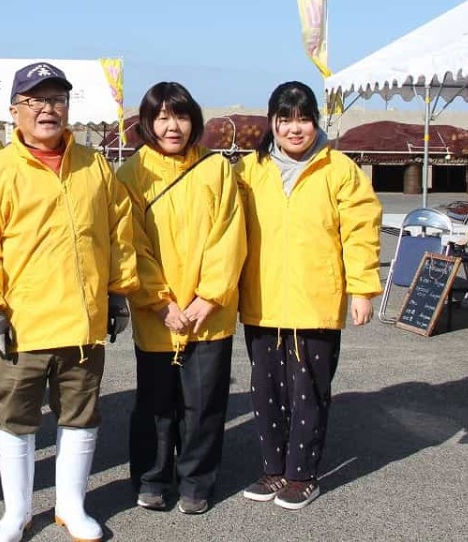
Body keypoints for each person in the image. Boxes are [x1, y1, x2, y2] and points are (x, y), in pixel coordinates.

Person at [0, 62, 142, 542]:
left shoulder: (94, 164)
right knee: (16, 417)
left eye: (57, 99)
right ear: (14, 109)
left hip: (82, 322)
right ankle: (16, 512)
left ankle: (70, 507)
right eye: (36, 100)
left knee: (80, 414)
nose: (47, 109)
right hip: (23, 323)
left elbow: (119, 231)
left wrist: (119, 291)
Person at [235, 81, 381, 511]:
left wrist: (362, 289)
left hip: (315, 301)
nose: (295, 129)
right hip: (261, 301)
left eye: (304, 118)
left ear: (315, 120)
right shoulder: (248, 170)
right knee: (265, 391)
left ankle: (302, 474)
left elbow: (360, 232)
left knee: (308, 391)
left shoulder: (338, 169)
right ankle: (272, 469)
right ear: (272, 123)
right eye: (286, 120)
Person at [116, 82, 246, 515]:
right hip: (158, 314)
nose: (173, 126)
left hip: (210, 313)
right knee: (154, 404)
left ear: (194, 120)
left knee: (204, 404)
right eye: (162, 117)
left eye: (182, 116)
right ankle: (152, 478)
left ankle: (196, 482)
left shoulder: (218, 170)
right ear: (148, 123)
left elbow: (229, 237)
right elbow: (128, 243)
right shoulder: (131, 174)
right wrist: (161, 301)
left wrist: (207, 299)